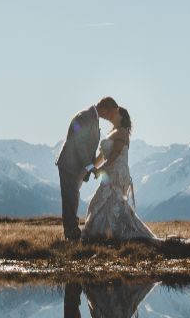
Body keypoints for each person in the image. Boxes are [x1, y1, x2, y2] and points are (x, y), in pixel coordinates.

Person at [82, 106, 157, 242]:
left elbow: (115, 154)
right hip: (111, 169)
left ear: (121, 116)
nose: (111, 114)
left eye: (115, 113)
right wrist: (92, 166)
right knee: (107, 202)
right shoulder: (113, 132)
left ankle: (107, 234)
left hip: (117, 171)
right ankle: (106, 234)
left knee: (110, 201)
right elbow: (103, 155)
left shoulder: (122, 132)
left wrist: (101, 169)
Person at [56, 97, 120, 240]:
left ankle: (72, 233)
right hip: (70, 165)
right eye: (111, 113)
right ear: (104, 109)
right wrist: (91, 167)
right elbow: (79, 143)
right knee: (70, 199)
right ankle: (71, 234)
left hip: (76, 168)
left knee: (73, 198)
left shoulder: (92, 118)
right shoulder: (84, 117)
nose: (112, 118)